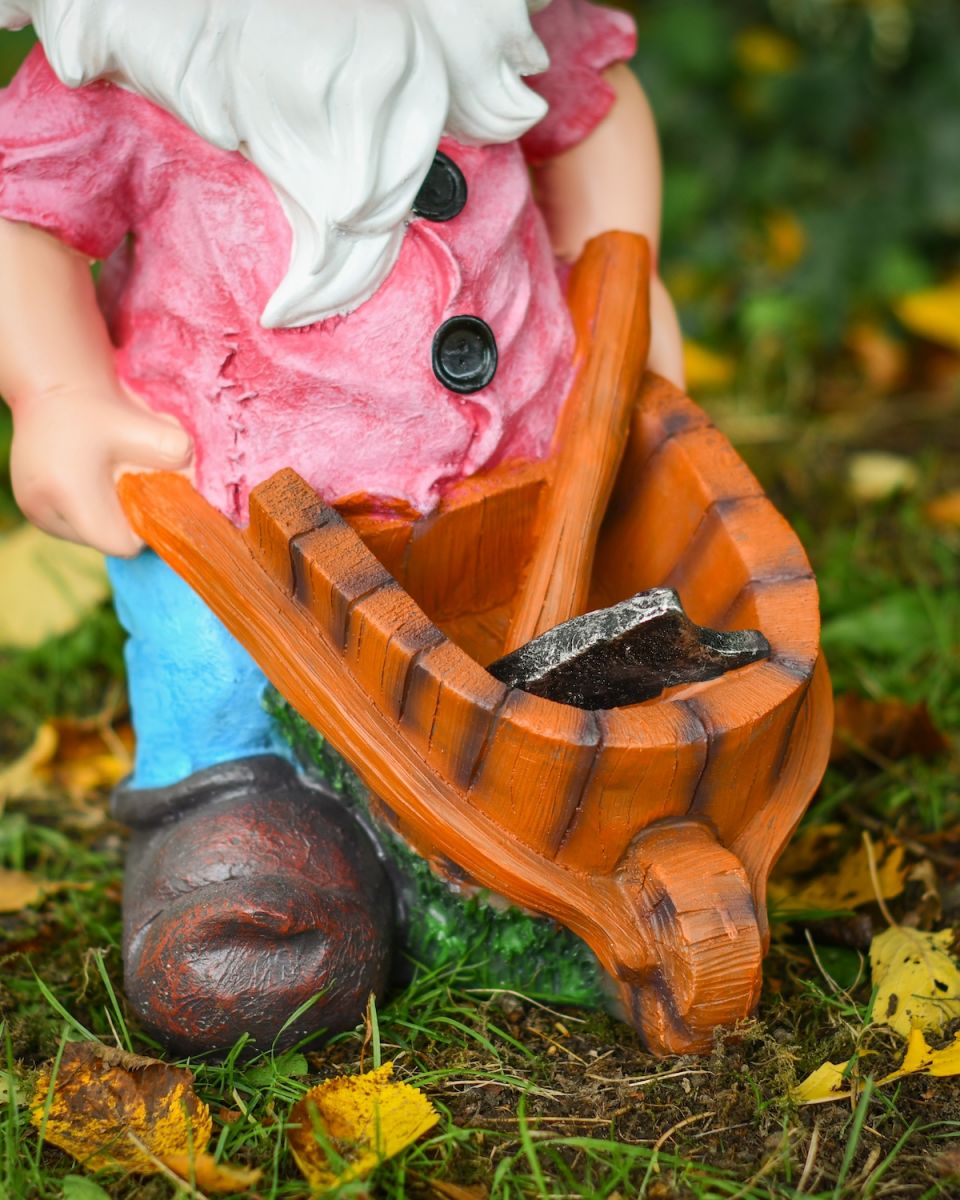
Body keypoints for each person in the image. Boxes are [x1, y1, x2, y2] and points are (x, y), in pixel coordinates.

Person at [0, 0, 684, 1054]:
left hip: (534, 491)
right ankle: (242, 830)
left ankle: (574, 798)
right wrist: (56, 392)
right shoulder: (131, 79)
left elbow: (589, 113)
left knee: (567, 656)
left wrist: (624, 275)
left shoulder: (496, 24)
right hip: (240, 537)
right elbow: (22, 215)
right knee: (228, 700)